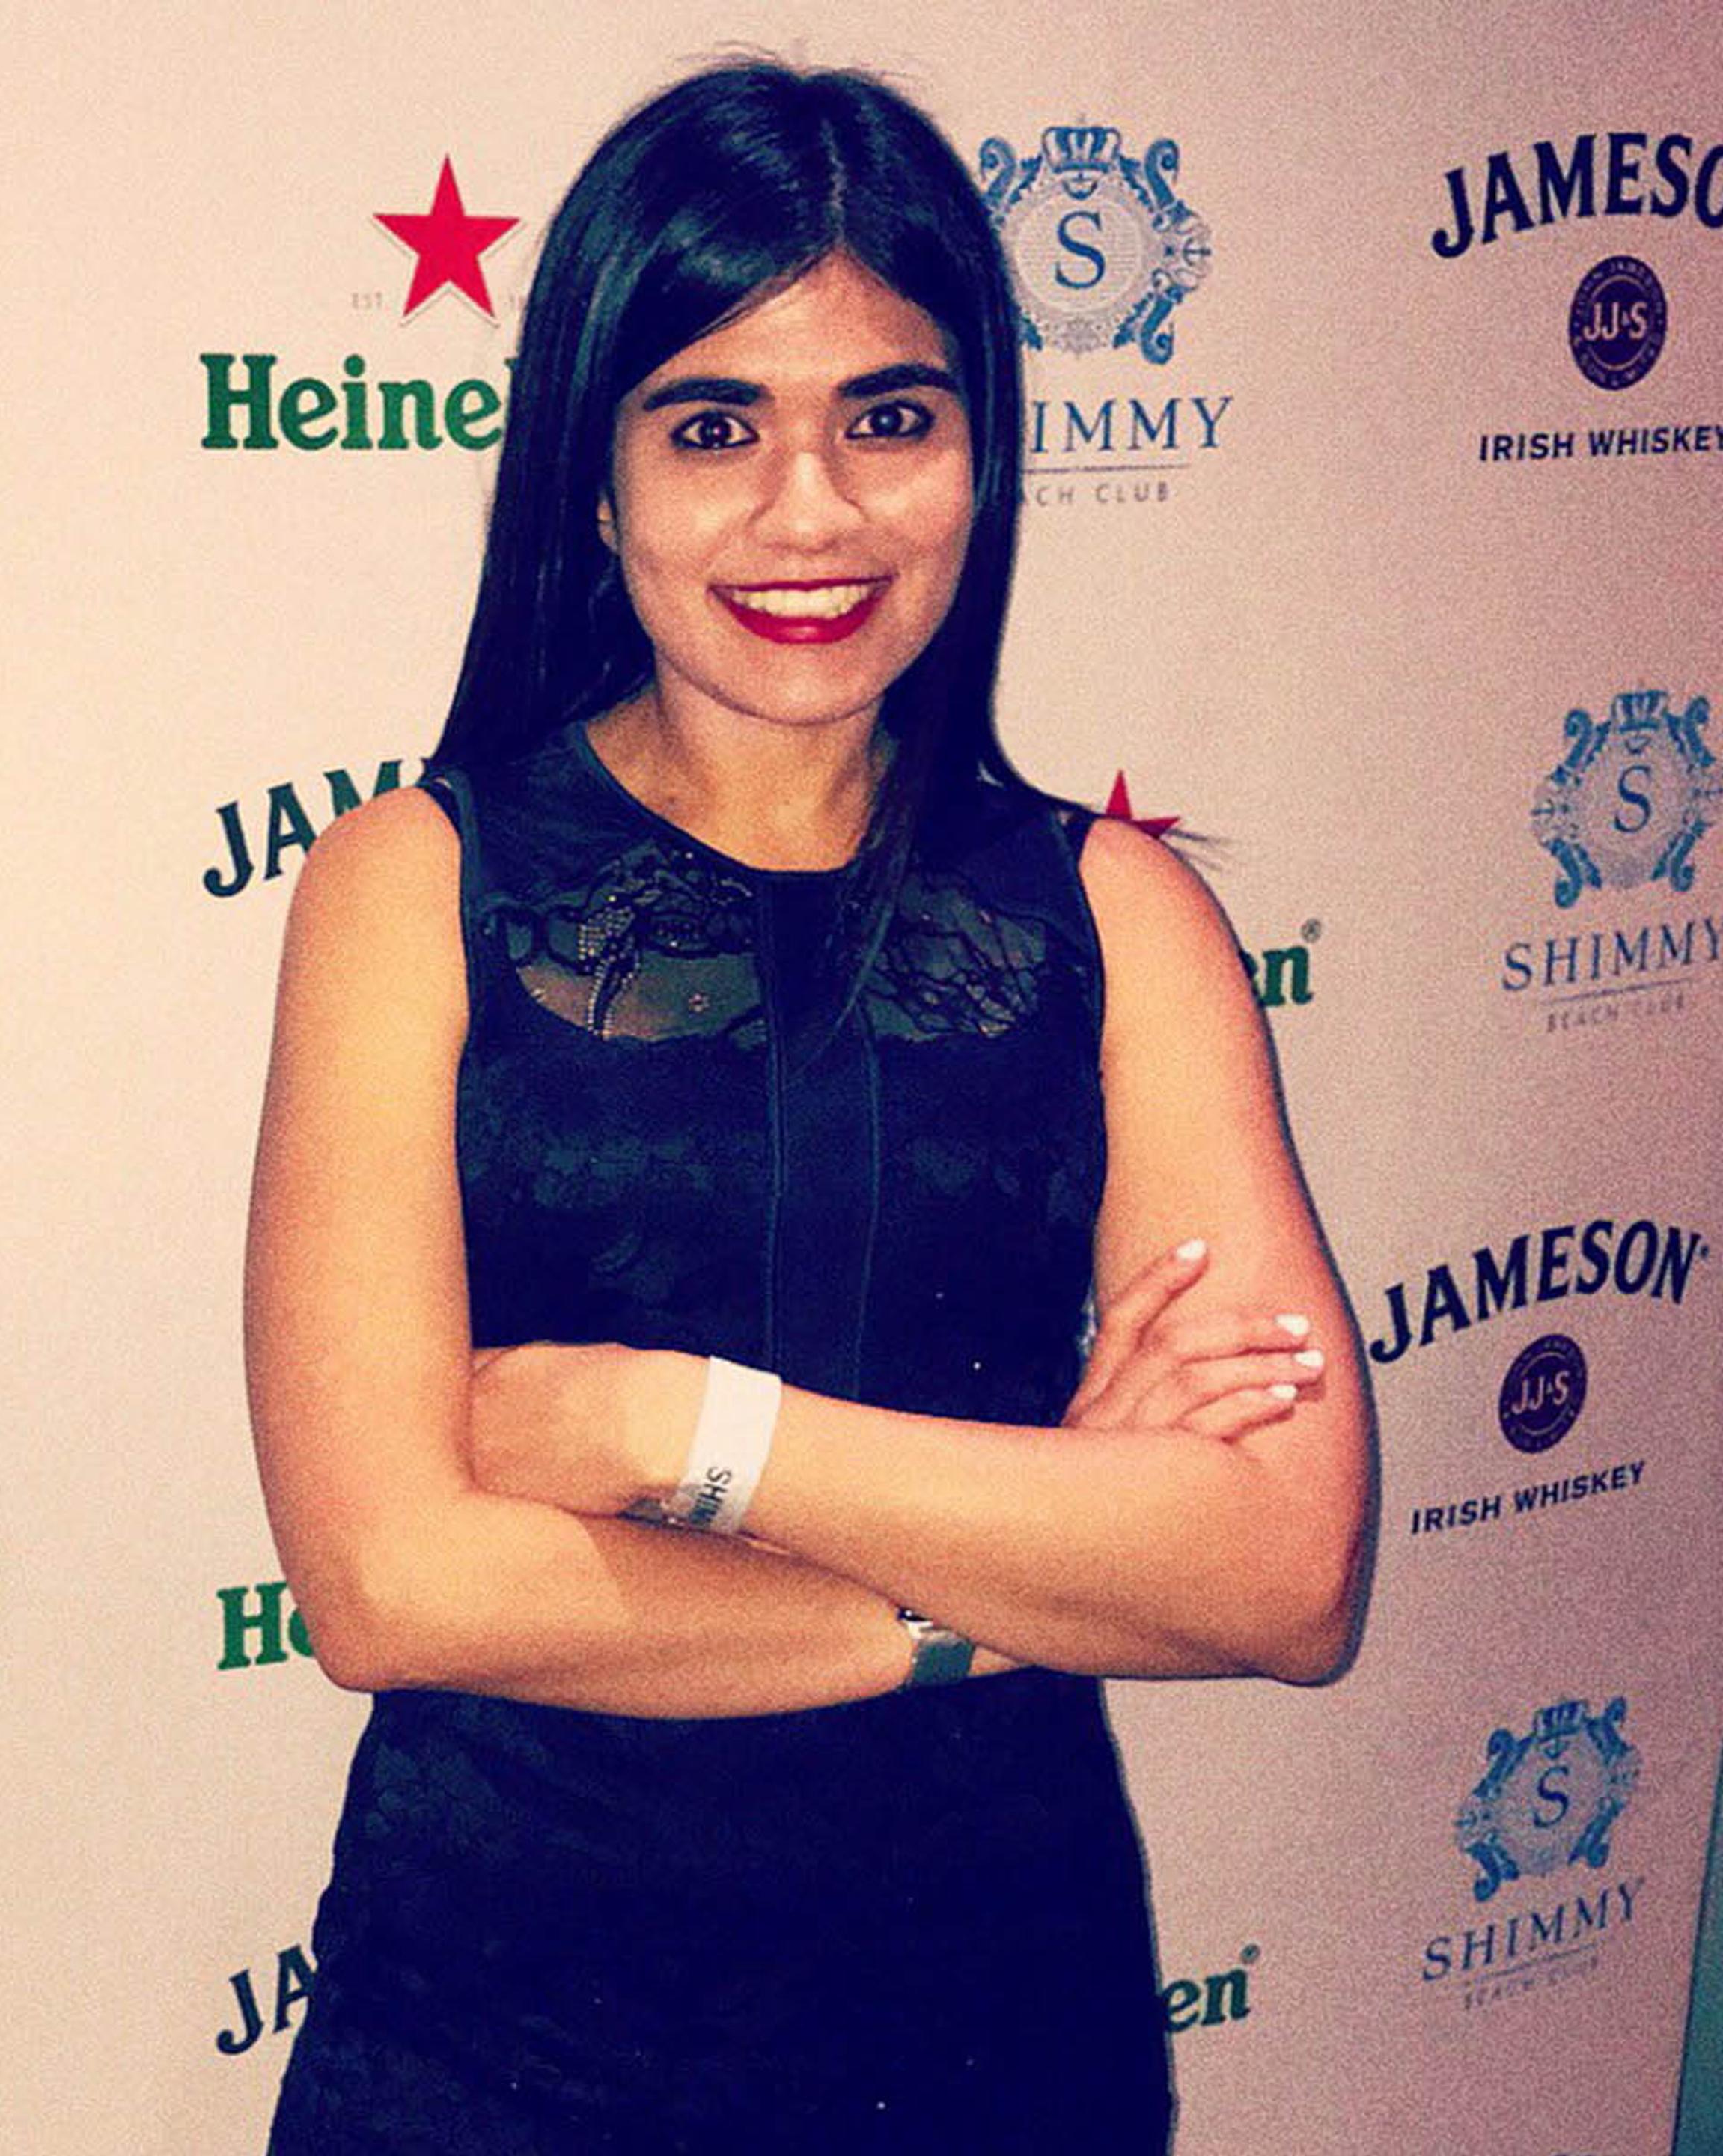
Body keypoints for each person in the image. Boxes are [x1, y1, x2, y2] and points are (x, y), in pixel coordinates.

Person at [242, 60, 1371, 2155]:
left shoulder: (1120, 916)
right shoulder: (416, 887)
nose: (812, 513)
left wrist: (678, 1434)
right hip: (504, 2047)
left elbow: (1286, 1571)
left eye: (889, 418)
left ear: (981, 457)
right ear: (593, 483)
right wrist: (1036, 1565)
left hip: (998, 2039)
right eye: (712, 427)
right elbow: (397, 1587)